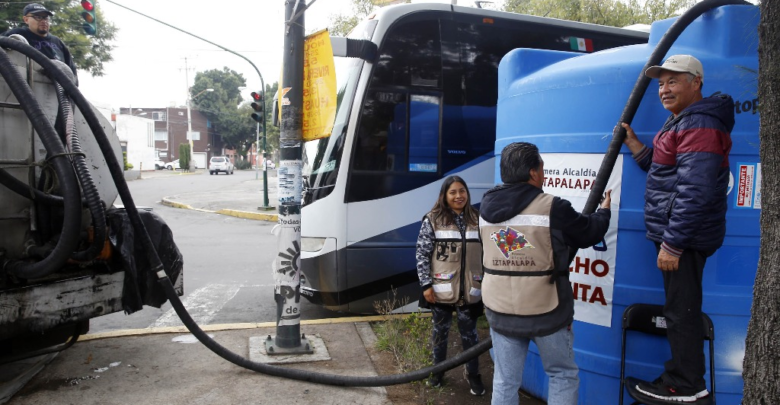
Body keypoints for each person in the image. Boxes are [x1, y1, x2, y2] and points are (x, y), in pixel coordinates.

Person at [621, 55, 734, 403]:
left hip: (683, 238)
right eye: (660, 84)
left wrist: (672, 243)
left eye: (673, 81)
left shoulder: (698, 123)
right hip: (680, 235)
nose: (664, 89)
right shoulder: (683, 122)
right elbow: (666, 170)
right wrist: (635, 144)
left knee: (681, 311)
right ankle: (682, 379)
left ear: (696, 82)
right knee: (678, 307)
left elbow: (695, 190)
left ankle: (686, 386)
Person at [479, 142, 612, 405]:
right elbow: (588, 233)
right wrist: (604, 211)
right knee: (562, 374)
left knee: (505, 380)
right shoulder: (553, 206)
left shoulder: (485, 206)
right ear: (532, 173)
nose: (544, 173)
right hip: (547, 311)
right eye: (542, 168)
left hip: (500, 307)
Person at [415, 175, 486, 396]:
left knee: (471, 337)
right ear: (444, 196)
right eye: (453, 192)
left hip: (471, 290)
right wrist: (426, 285)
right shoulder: (433, 219)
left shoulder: (478, 218)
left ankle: (473, 375)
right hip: (440, 290)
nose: (458, 196)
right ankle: (437, 373)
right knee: (440, 334)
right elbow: (422, 254)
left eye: (462, 191)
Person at [2, 3, 78, 79]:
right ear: (26, 19)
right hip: (27, 85)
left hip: (56, 88)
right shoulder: (17, 35)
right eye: (38, 17)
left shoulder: (58, 42)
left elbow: (72, 73)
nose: (43, 21)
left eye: (46, 17)